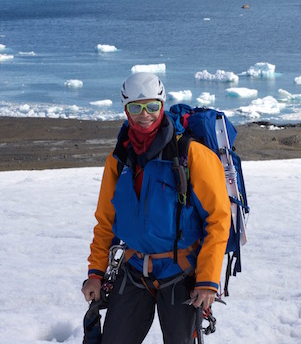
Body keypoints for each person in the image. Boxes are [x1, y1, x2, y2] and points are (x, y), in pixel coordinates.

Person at [82, 72, 231, 343]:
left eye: (152, 106)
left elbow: (218, 219)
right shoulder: (119, 159)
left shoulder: (192, 155)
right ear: (125, 109)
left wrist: (208, 280)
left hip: (182, 274)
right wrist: (95, 273)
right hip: (134, 267)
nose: (144, 115)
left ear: (162, 105)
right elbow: (106, 221)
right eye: (135, 108)